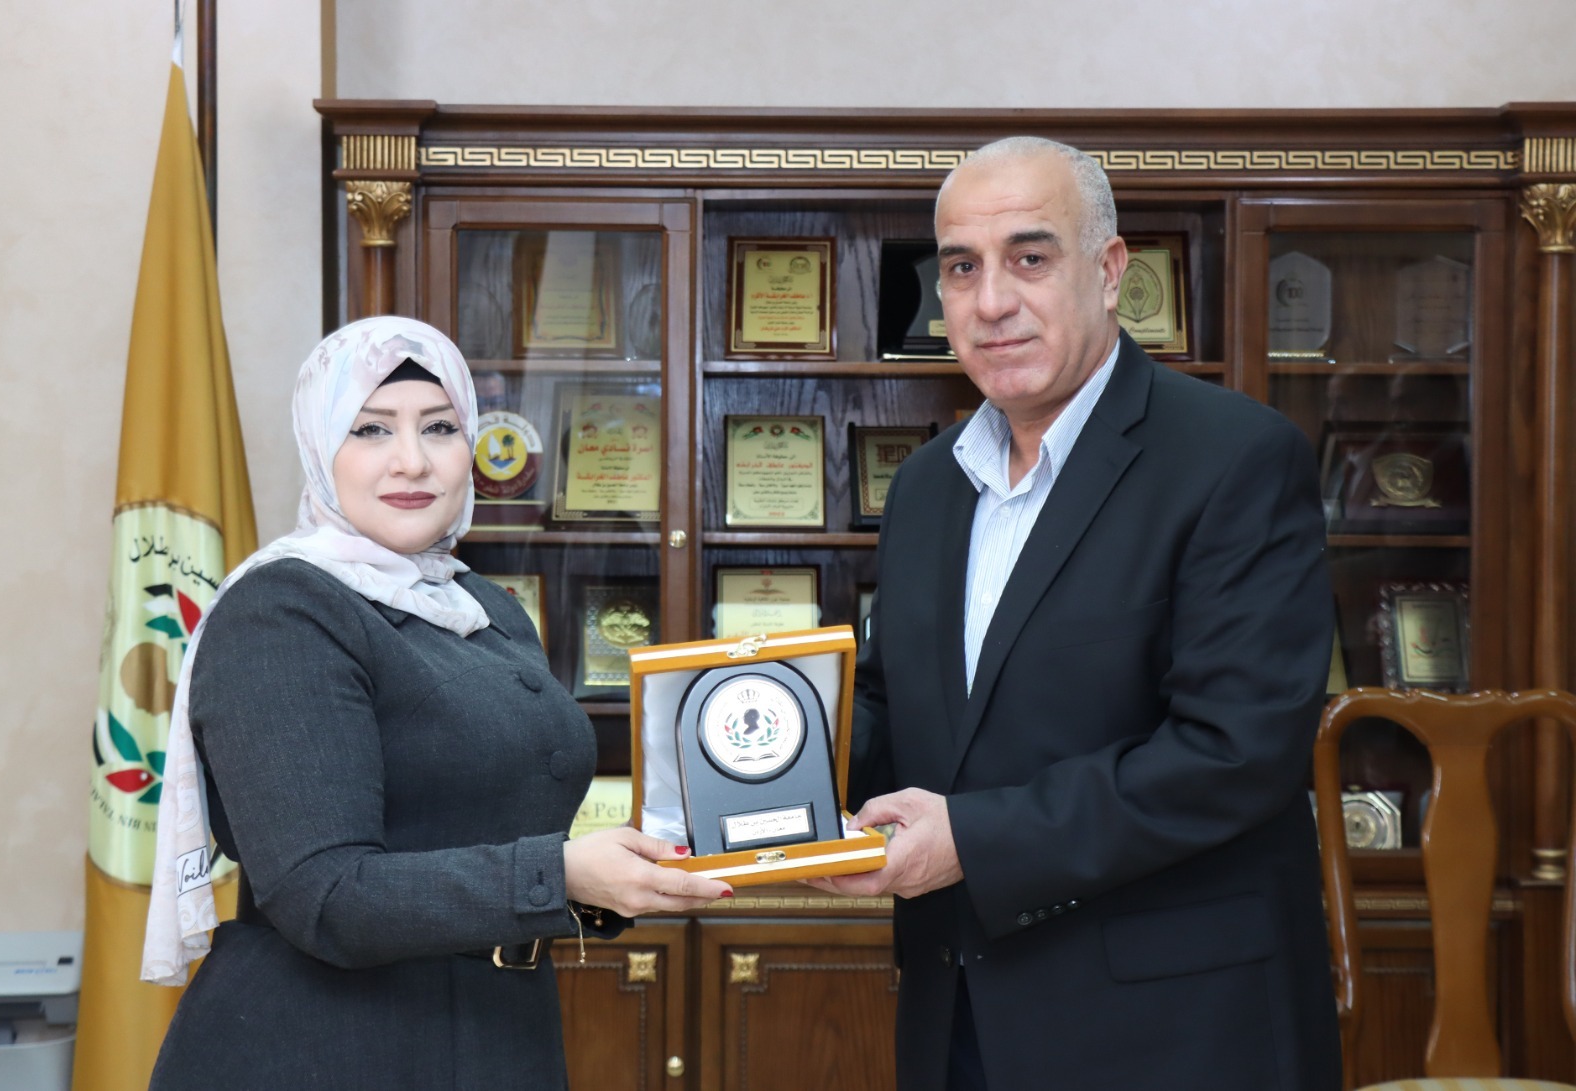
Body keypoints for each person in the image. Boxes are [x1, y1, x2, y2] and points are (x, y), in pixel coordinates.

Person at [815, 138, 1342, 1089]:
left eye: (1030, 257)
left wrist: (971, 841)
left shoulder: (1236, 458)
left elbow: (1235, 753)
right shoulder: (929, 485)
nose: (990, 301)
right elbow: (903, 710)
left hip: (1172, 1034)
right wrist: (764, 774)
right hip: (957, 1015)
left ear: (1108, 271)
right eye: (962, 268)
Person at [141, 316, 729, 1089]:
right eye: (371, 429)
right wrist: (559, 874)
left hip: (497, 1034)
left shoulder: (481, 606)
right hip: (328, 1053)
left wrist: (645, 865)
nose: (412, 460)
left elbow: (495, 824)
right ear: (320, 446)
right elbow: (326, 897)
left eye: (440, 426)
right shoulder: (282, 611)